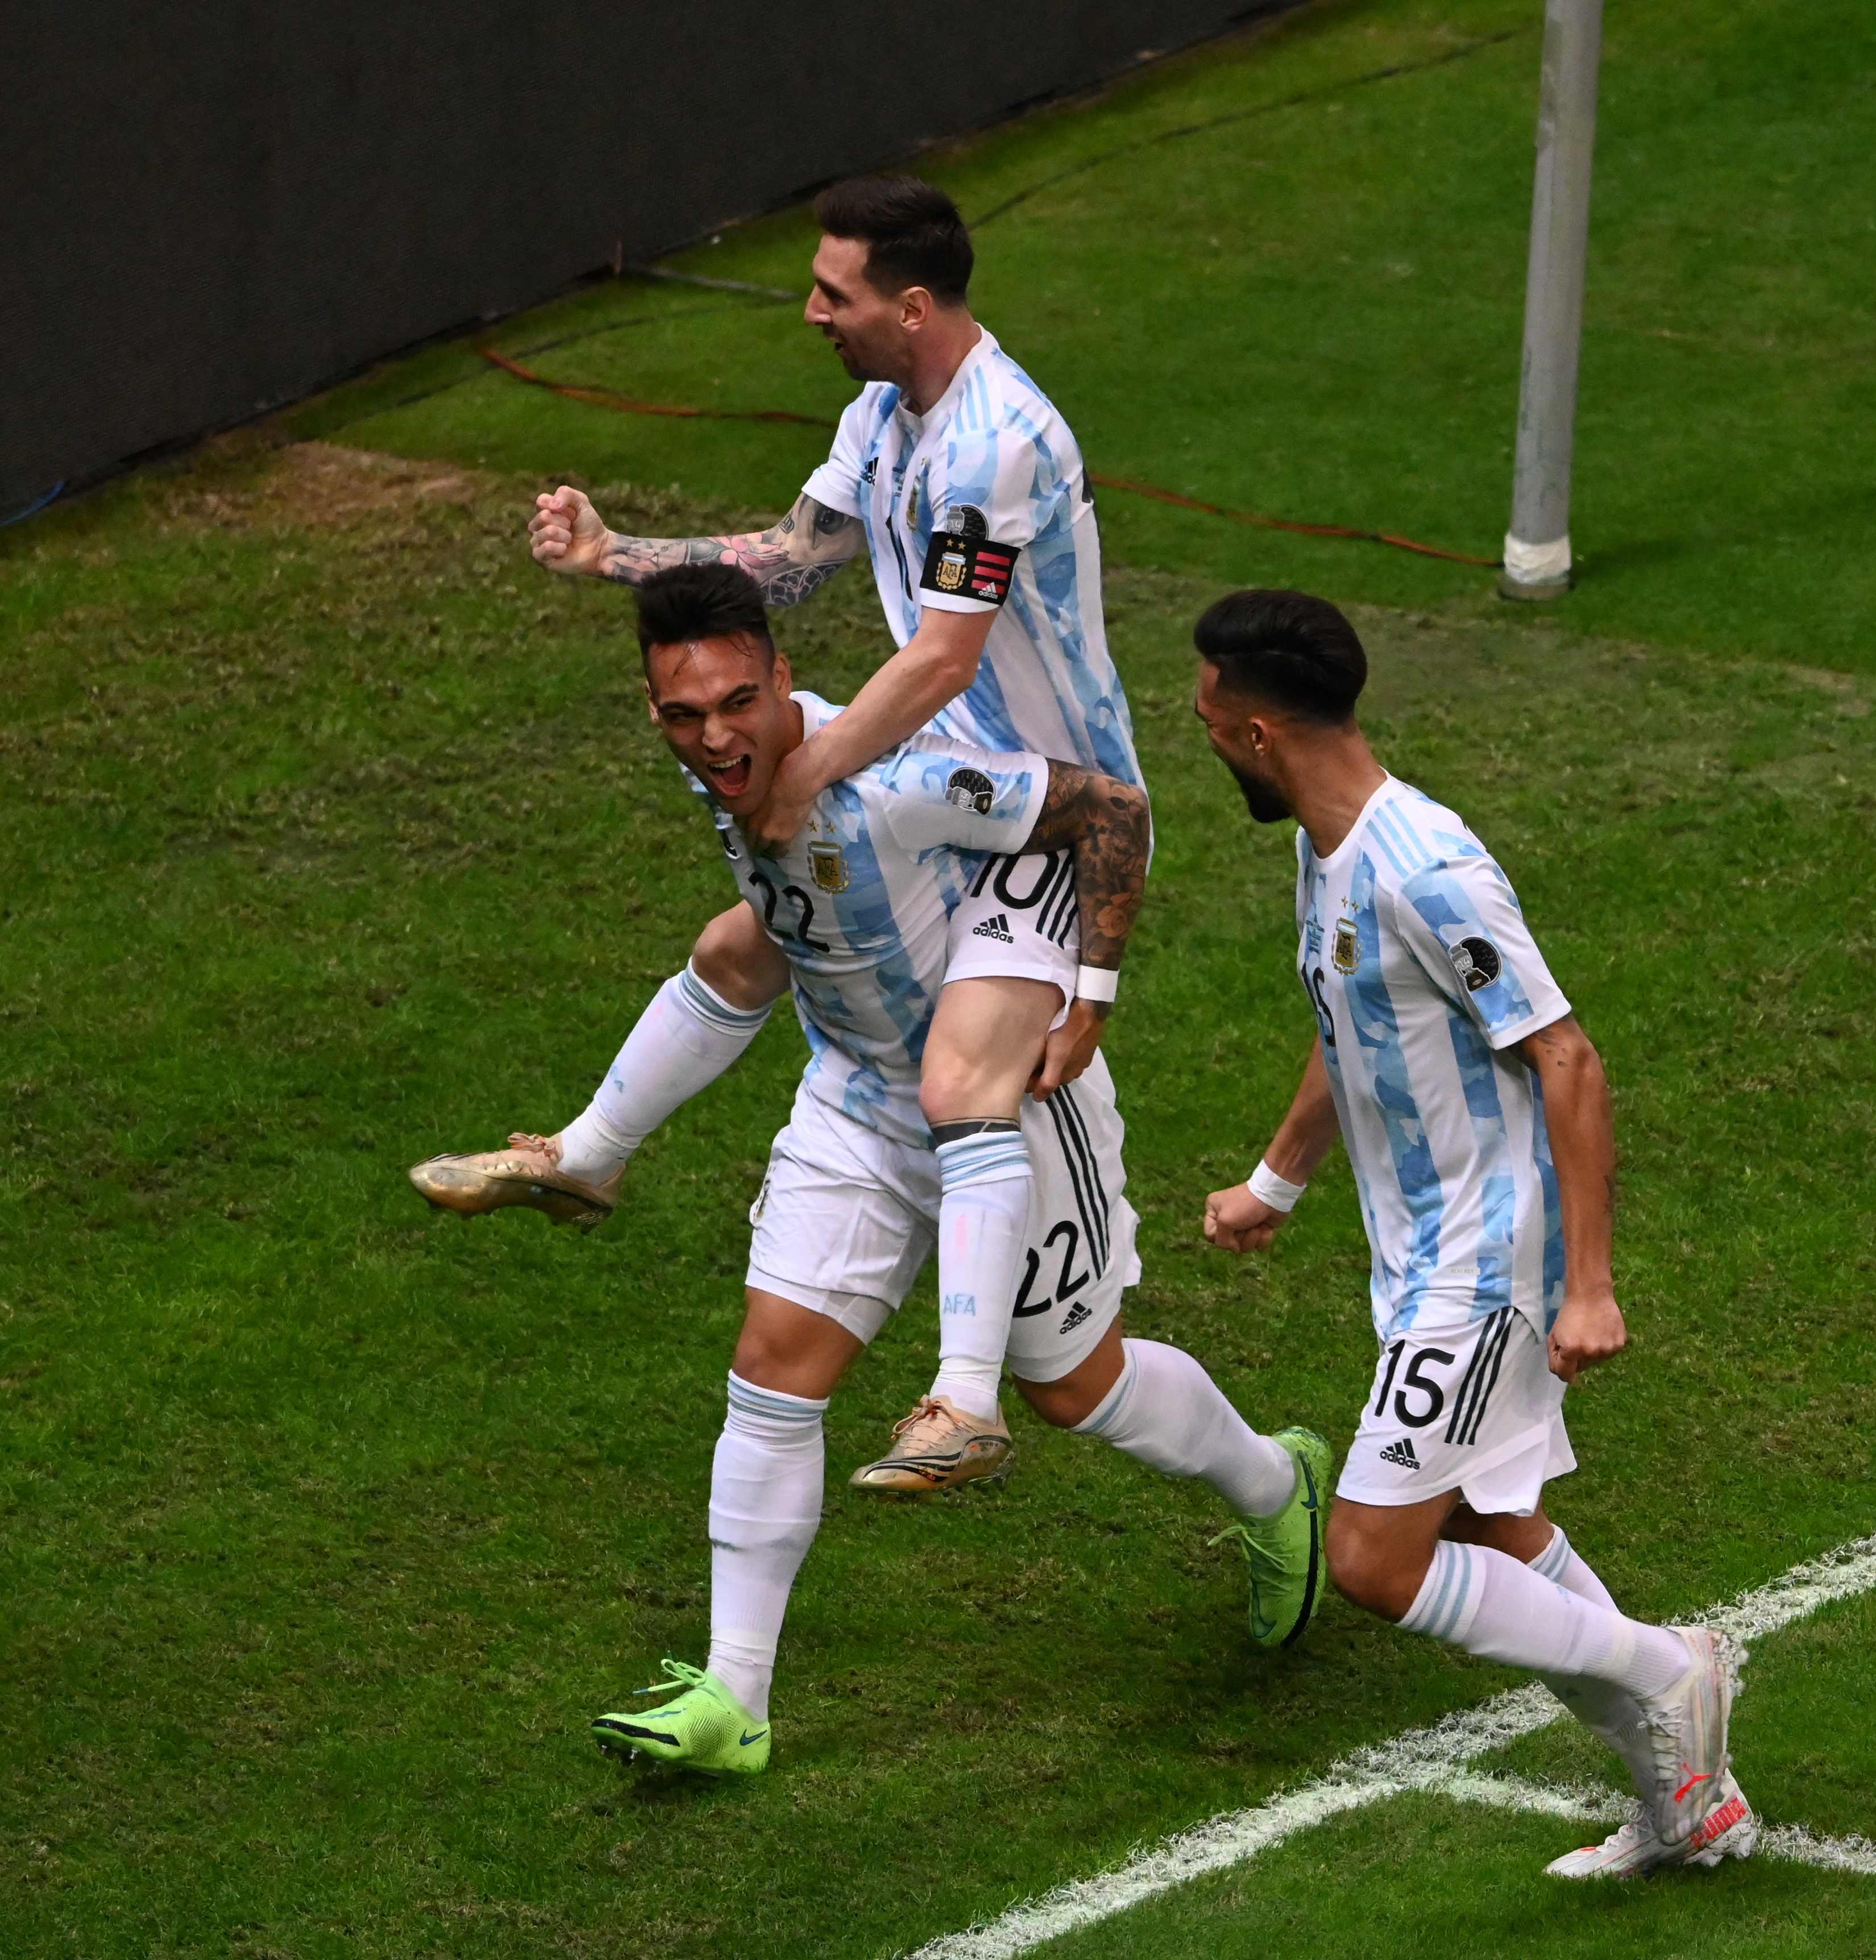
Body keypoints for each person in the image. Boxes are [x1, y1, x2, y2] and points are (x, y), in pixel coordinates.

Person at [467, 566, 1326, 1774]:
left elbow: (1111, 810)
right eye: (680, 713)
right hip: (860, 1095)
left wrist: (1087, 996)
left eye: (735, 701)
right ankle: (735, 1696)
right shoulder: (716, 767)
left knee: (1071, 1384)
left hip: (1013, 1100)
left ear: (778, 677)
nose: (714, 735)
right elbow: (763, 937)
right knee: (774, 1363)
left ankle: (1275, 1480)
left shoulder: (902, 782)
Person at [514, 174, 1135, 1483]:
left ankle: (966, 1400)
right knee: (759, 937)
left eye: (832, 293)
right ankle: (590, 1153)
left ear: (911, 306)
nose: (809, 311)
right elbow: (790, 559)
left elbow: (952, 656)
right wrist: (615, 556)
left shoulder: (997, 441)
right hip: (951, 778)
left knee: (958, 1082)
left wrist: (814, 769)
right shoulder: (881, 413)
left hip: (1050, 809)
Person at [1189, 589, 1754, 1878]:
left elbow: (1569, 1056)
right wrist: (1275, 1183)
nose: (1207, 738)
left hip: (1486, 1265)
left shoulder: (1426, 867)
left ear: (1261, 731)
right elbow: (1354, 1025)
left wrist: (1590, 1287)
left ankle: (1675, 1663)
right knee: (1489, 1532)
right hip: (1423, 1253)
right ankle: (1690, 1802)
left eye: (1211, 720)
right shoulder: (1324, 853)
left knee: (1378, 1559)